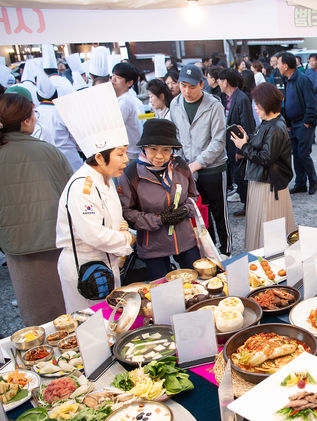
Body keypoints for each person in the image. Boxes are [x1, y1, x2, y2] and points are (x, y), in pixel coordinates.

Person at [54, 83, 135, 313]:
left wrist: (121, 228)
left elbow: (111, 221)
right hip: (85, 266)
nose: (126, 159)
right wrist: (127, 239)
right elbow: (93, 234)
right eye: (120, 154)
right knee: (91, 325)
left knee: (110, 319)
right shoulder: (82, 188)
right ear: (99, 157)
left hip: (107, 261)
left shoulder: (107, 179)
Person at [0, 90, 72, 325]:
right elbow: (70, 195)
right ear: (25, 120)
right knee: (63, 310)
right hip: (53, 240)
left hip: (15, 244)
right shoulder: (47, 151)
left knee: (34, 311)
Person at [118, 119, 200, 279]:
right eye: (153, 149)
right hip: (152, 245)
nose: (160, 156)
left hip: (185, 238)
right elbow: (127, 212)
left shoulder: (180, 166)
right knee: (163, 292)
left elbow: (192, 195)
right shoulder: (131, 174)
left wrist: (186, 209)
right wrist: (159, 219)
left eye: (166, 149)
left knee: (198, 282)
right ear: (143, 147)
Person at [169, 65, 231, 256]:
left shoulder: (214, 105)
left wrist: (197, 164)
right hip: (188, 168)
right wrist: (181, 162)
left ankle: (226, 250)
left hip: (213, 168)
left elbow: (219, 140)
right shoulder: (175, 104)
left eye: (192, 87)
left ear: (202, 85)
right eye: (183, 85)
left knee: (219, 212)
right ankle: (210, 251)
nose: (187, 91)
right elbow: (176, 136)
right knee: (200, 213)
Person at [229, 83, 295, 251]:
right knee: (265, 224)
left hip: (269, 185)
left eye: (258, 106)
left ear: (267, 105)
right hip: (265, 181)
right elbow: (264, 146)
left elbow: (266, 158)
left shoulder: (276, 127)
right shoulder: (270, 123)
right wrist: (247, 139)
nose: (255, 109)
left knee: (269, 227)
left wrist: (244, 146)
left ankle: (267, 260)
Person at [278, 53, 317, 196]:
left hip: (303, 123)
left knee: (303, 154)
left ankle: (313, 180)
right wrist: (288, 122)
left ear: (286, 65)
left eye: (278, 64)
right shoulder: (287, 79)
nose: (277, 67)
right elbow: (287, 102)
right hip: (293, 123)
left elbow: (311, 102)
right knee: (296, 154)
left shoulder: (303, 79)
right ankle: (300, 183)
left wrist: (307, 121)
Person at [219, 68, 256, 216]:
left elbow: (247, 124)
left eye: (220, 80)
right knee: (237, 176)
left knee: (241, 178)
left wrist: (242, 150)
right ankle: (246, 204)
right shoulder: (226, 98)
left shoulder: (241, 98)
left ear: (226, 81)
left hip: (239, 145)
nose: (218, 83)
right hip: (231, 144)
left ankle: (249, 206)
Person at [111, 62, 143, 160]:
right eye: (112, 76)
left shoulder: (125, 101)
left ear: (129, 83)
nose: (113, 80)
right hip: (128, 152)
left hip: (129, 154)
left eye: (118, 78)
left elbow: (114, 126)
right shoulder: (123, 98)